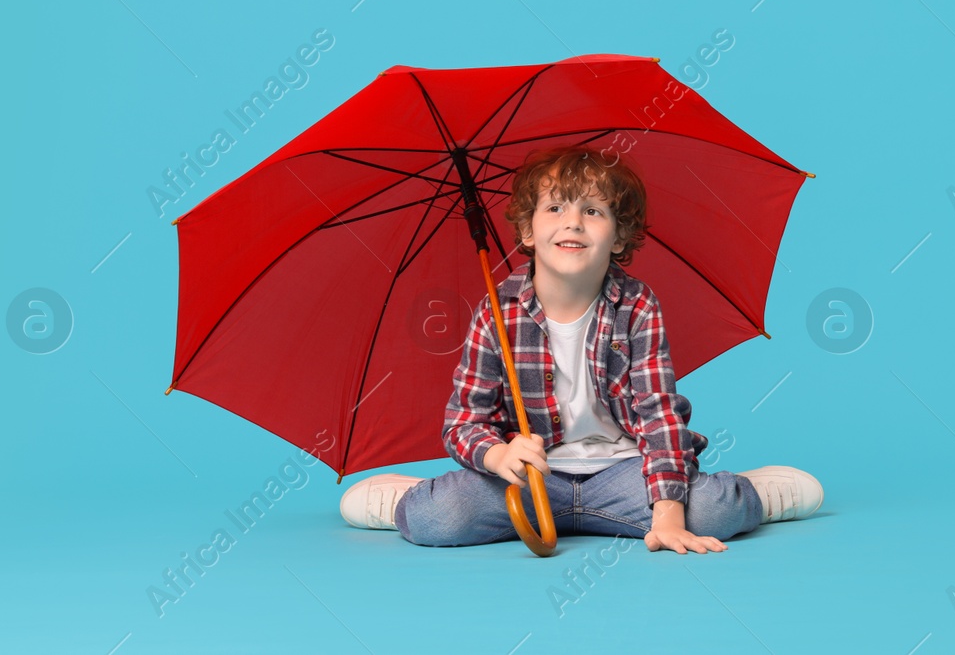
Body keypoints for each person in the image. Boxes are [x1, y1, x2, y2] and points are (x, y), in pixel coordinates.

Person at [339, 145, 822, 552]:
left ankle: (753, 491)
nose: (573, 223)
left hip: (625, 473)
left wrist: (671, 514)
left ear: (618, 236)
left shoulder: (636, 305)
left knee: (713, 510)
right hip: (532, 478)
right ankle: (410, 497)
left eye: (592, 211)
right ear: (528, 232)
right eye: (555, 209)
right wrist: (496, 456)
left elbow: (659, 416)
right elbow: (464, 422)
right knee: (439, 518)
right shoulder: (496, 311)